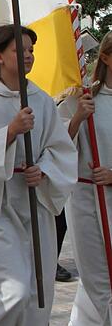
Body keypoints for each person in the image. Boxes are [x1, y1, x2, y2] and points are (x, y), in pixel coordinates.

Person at [0, 25, 77, 325]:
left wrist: (45, 170)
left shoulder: (42, 100)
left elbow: (60, 148)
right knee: (13, 294)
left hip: (35, 205)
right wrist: (10, 131)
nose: (28, 56)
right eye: (20, 50)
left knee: (39, 299)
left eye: (31, 50)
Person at [59, 32, 112, 325]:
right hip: (87, 201)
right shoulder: (83, 97)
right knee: (96, 281)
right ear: (105, 57)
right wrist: (78, 117)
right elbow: (56, 146)